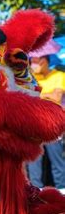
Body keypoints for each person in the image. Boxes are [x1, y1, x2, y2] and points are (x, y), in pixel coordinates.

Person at [27, 54, 65, 189]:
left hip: (53, 123)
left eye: (36, 61)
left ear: (45, 61)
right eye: (32, 62)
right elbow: (25, 97)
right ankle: (36, 190)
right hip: (34, 124)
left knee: (57, 160)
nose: (33, 65)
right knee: (34, 160)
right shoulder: (30, 78)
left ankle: (62, 189)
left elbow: (56, 98)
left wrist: (39, 95)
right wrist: (47, 94)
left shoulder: (59, 76)